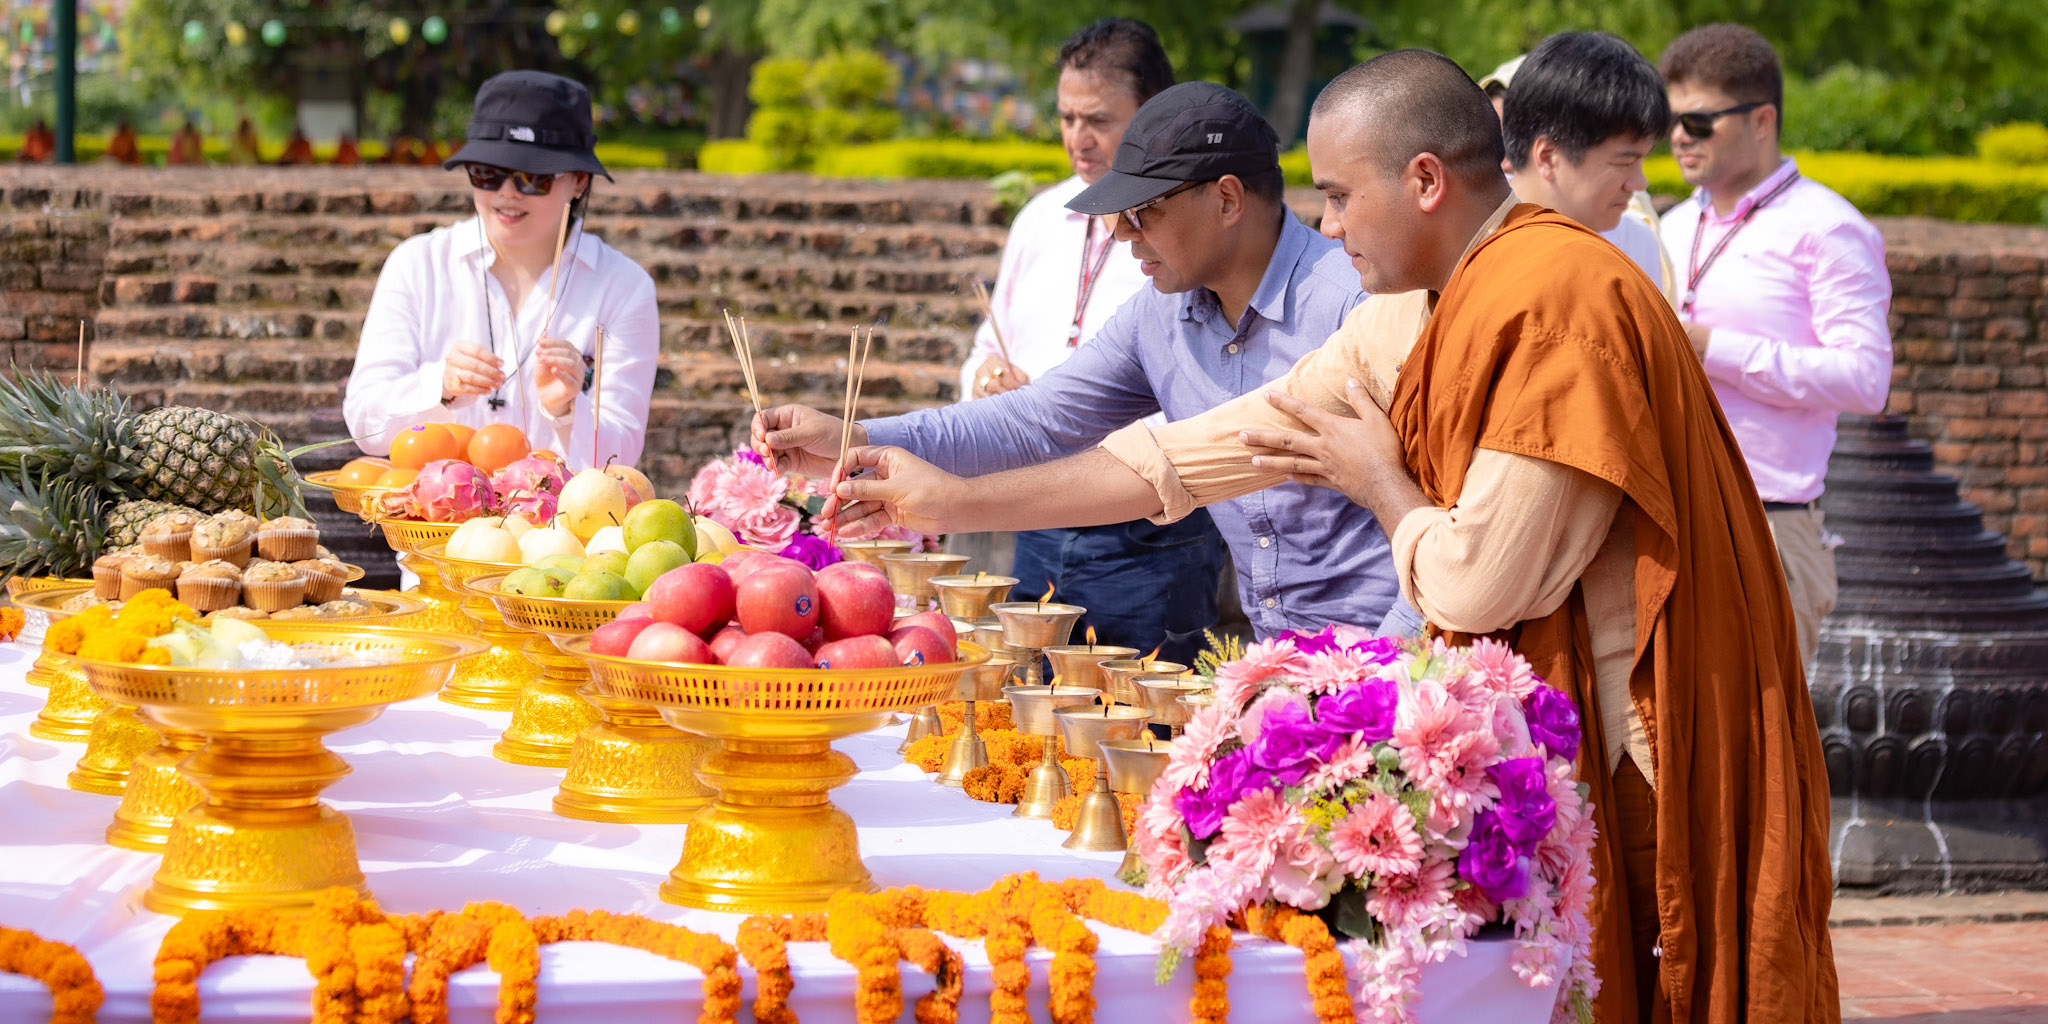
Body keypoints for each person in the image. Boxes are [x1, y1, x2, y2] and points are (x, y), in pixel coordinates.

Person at [823, 49, 1838, 1024]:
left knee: (1645, 980)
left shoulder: (1553, 305)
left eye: (1340, 195)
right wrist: (940, 500)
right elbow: (1194, 453)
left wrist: (1379, 482)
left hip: (1642, 729)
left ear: (1426, 181)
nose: (1325, 222)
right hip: (1545, 716)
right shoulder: (1413, 311)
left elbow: (1473, 582)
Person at [757, 82, 1400, 641]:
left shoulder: (1359, 307)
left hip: (1393, 661)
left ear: (1228, 201)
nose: (1123, 235)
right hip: (1276, 658)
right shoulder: (1163, 314)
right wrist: (859, 438)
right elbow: (1038, 420)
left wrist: (1396, 675)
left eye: (1145, 211)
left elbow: (1444, 519)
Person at [945, 18, 1226, 661]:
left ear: (1153, 112)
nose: (1079, 137)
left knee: (1145, 731)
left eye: (1097, 118)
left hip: (1151, 531)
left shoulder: (1191, 224)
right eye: (1067, 117)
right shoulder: (1040, 217)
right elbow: (988, 344)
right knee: (1026, 726)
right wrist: (988, 379)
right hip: (1037, 511)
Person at [1659, 23, 1892, 669]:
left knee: (1762, 762)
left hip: (1768, 524)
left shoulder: (1829, 229)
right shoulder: (1668, 226)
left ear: (1761, 120)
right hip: (1664, 519)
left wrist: (1716, 349)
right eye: (1671, 118)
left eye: (1699, 121)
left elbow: (1865, 380)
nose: (1679, 136)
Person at [344, 70, 659, 472]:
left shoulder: (624, 287)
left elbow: (620, 458)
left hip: (561, 529)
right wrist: (439, 385)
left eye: (533, 177)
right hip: (428, 524)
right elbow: (363, 424)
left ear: (579, 182)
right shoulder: (417, 265)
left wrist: (567, 409)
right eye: (487, 173)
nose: (507, 192)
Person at [1487, 39, 1675, 300]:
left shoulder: (1636, 245)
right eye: (1624, 163)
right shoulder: (1468, 243)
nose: (1639, 182)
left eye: (1642, 160)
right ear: (1549, 156)